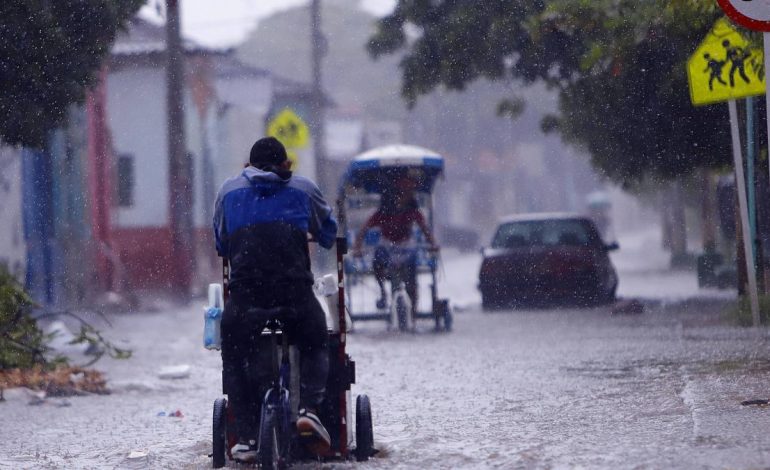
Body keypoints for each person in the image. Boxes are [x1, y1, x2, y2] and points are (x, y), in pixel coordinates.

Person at [213, 137, 337, 463]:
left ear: (247, 167)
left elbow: (222, 244)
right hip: (294, 297)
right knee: (315, 338)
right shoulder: (303, 189)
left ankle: (248, 435)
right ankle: (309, 409)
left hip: (246, 302)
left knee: (235, 354)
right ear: (286, 166)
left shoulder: (228, 191)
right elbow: (328, 234)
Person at [351, 171, 437, 311]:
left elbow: (424, 228)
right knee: (378, 262)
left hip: (406, 246)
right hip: (387, 245)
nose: (408, 195)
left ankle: (413, 308)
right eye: (404, 192)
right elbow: (364, 228)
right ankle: (383, 292)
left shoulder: (412, 211)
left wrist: (433, 244)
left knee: (411, 275)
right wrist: (357, 246)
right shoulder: (383, 212)